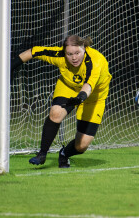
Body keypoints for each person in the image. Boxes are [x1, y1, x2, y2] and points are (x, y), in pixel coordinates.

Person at [11, 35, 111, 168]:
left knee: (81, 146)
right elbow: (34, 51)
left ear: (84, 48)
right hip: (68, 87)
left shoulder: (95, 61)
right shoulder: (59, 55)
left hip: (94, 98)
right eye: (69, 54)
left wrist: (80, 97)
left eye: (77, 53)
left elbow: (89, 85)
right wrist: (9, 68)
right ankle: (42, 154)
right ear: (64, 52)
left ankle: (64, 153)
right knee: (56, 113)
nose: (74, 58)